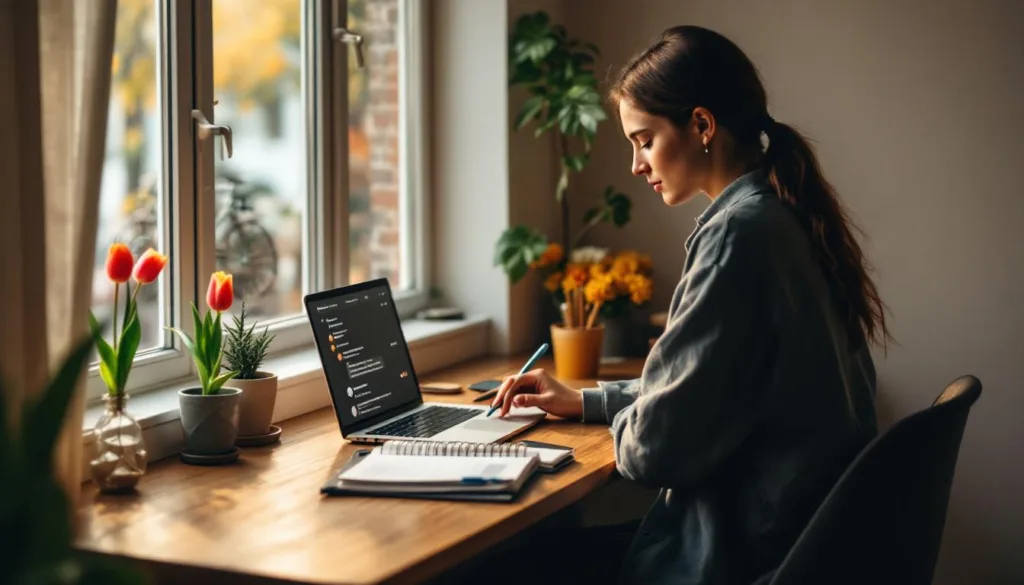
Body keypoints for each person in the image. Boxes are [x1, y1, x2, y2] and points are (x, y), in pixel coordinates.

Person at [488, 25, 890, 585]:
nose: (636, 164)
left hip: (742, 555)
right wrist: (587, 402)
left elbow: (654, 450)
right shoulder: (783, 213)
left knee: (497, 568)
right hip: (798, 541)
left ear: (701, 125)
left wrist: (637, 416)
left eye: (643, 139)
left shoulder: (737, 237)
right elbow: (708, 389)